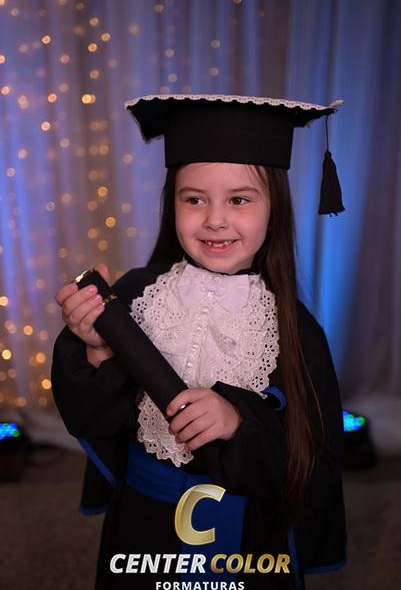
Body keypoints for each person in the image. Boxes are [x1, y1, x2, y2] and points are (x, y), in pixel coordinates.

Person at [52, 94, 347, 590]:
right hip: (142, 522)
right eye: (194, 199)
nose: (214, 220)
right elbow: (96, 418)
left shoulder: (294, 329)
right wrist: (98, 351)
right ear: (172, 203)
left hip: (246, 537)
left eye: (239, 200)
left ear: (274, 209)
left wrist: (238, 422)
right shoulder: (136, 295)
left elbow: (314, 457)